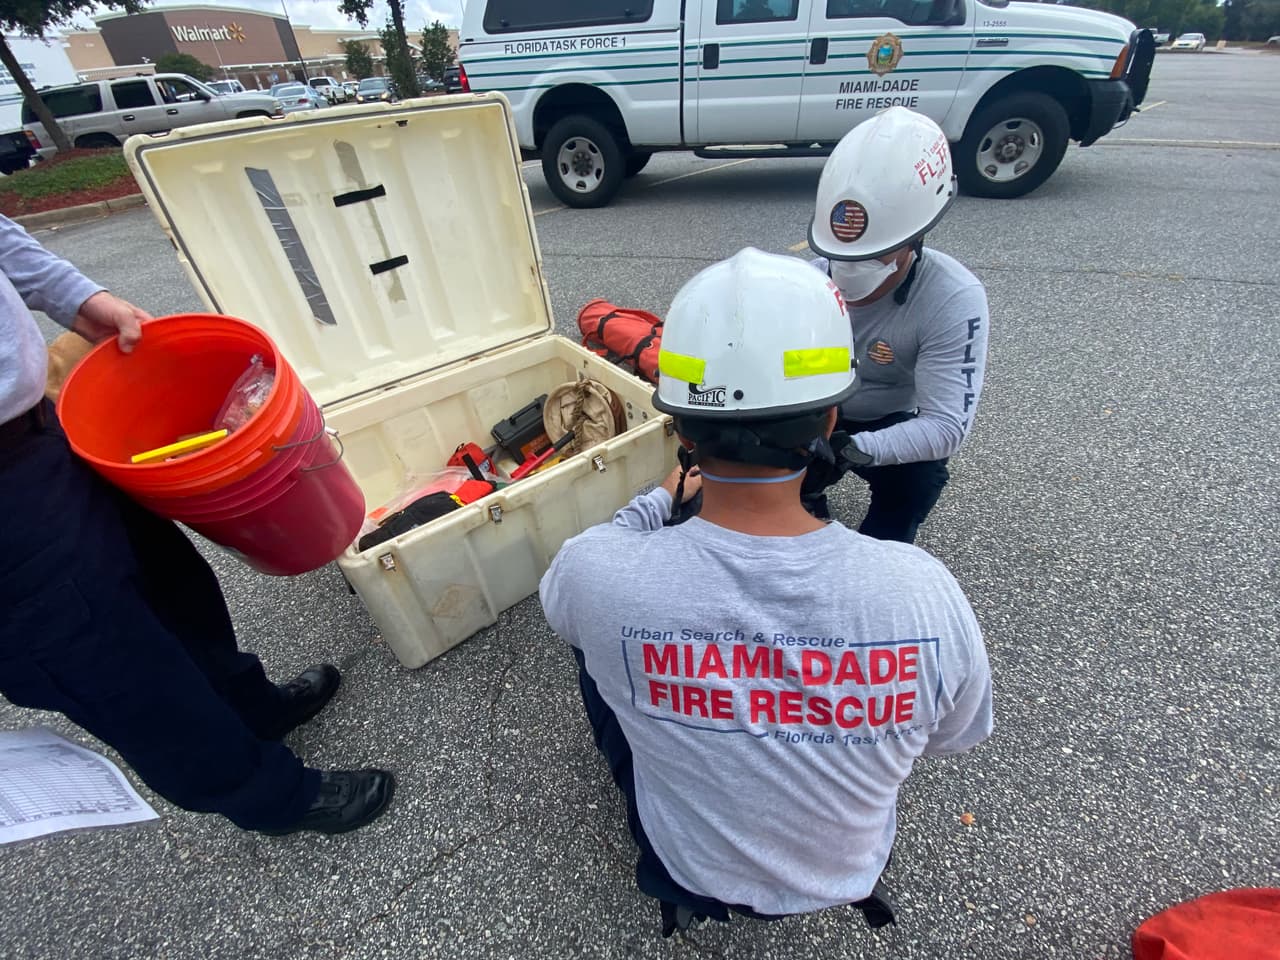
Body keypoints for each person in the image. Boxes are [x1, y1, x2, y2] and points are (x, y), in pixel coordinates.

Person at [540, 248, 992, 937]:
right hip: (847, 869)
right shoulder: (922, 592)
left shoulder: (598, 572)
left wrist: (658, 500)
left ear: (681, 430)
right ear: (831, 422)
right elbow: (951, 736)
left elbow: (573, 599)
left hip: (686, 861)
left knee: (591, 637)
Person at [0, 213, 395, 835]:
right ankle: (270, 796)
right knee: (115, 664)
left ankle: (251, 707)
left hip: (40, 435)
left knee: (169, 583)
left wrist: (79, 299)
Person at [803, 106, 990, 544]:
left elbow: (945, 426)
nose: (849, 275)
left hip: (892, 415)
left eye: (875, 256)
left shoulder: (951, 298)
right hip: (815, 408)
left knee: (918, 481)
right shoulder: (807, 280)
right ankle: (810, 519)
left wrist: (852, 450)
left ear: (916, 236)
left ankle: (885, 546)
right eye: (842, 258)